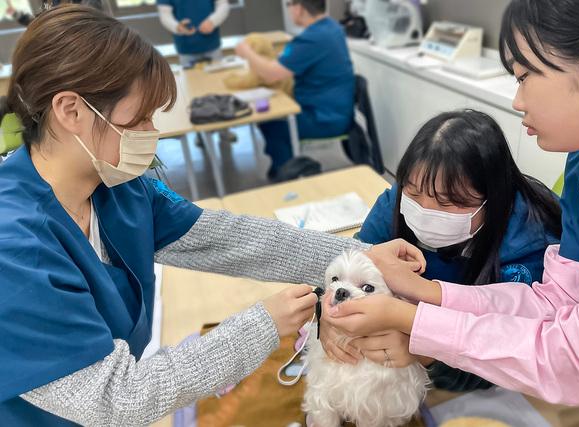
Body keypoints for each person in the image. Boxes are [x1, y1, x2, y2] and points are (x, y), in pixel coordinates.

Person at [0, 6, 415, 425]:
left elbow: (226, 237)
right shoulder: (15, 250)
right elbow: (116, 400)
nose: (152, 133)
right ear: (71, 110)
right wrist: (264, 324)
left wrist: (363, 256)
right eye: (138, 118)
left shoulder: (118, 187)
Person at [324, 0, 579, 412]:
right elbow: (555, 302)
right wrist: (427, 292)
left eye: (525, 76)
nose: (518, 101)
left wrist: (416, 324)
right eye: (414, 193)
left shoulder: (532, 228)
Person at [322, 109, 560, 392]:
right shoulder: (396, 203)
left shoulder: (530, 244)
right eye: (412, 192)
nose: (424, 210)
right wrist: (324, 315)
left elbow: (518, 354)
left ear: (493, 199)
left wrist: (426, 353)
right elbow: (346, 270)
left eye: (447, 203)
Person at [235, 0, 355, 180]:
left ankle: (286, 175)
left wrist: (246, 52)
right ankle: (283, 167)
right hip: (334, 111)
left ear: (298, 8)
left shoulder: (313, 38)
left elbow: (271, 74)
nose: (289, 10)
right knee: (272, 114)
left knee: (272, 122)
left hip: (324, 119)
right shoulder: (331, 28)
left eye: (289, 5)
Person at [157, 0, 229, 68]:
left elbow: (223, 4)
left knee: (216, 79)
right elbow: (164, 14)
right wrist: (177, 26)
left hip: (213, 45)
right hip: (185, 49)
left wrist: (213, 21)